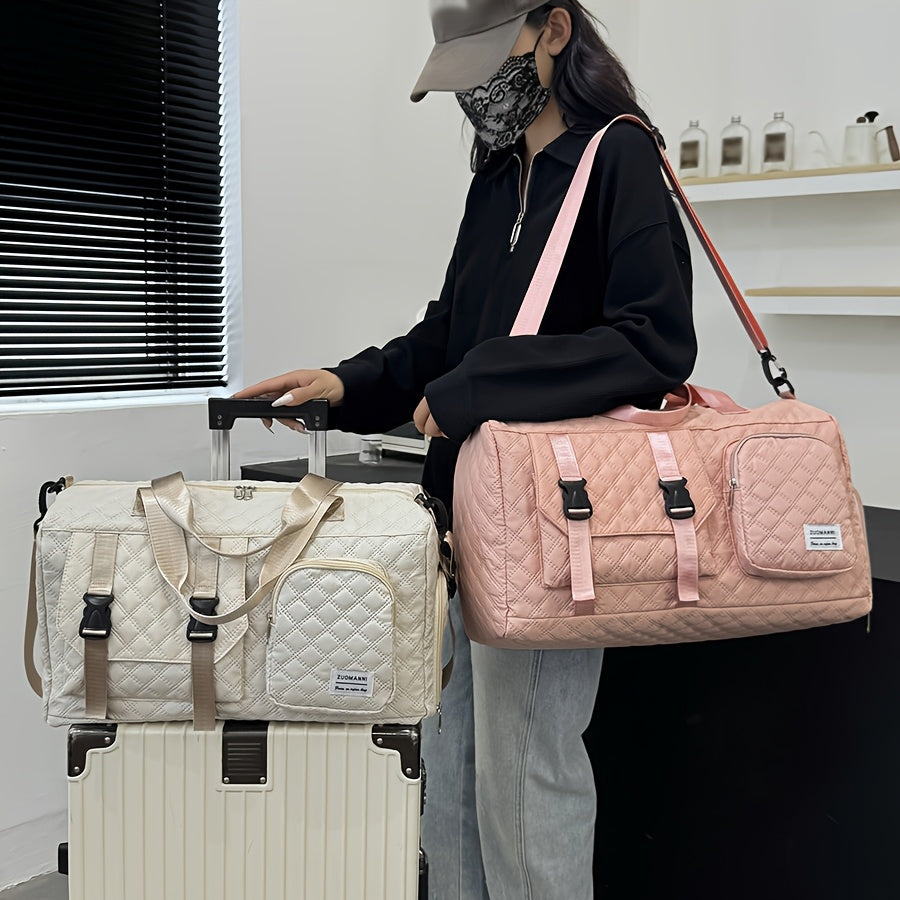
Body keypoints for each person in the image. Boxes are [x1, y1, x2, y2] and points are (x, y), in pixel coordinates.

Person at [236, 2, 697, 897]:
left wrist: (479, 385)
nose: (477, 91)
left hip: (553, 527)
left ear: (554, 31)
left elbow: (653, 344)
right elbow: (448, 336)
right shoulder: (498, 178)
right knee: (447, 770)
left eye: (490, 60)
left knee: (526, 784)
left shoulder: (619, 158)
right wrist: (345, 385)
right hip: (459, 521)